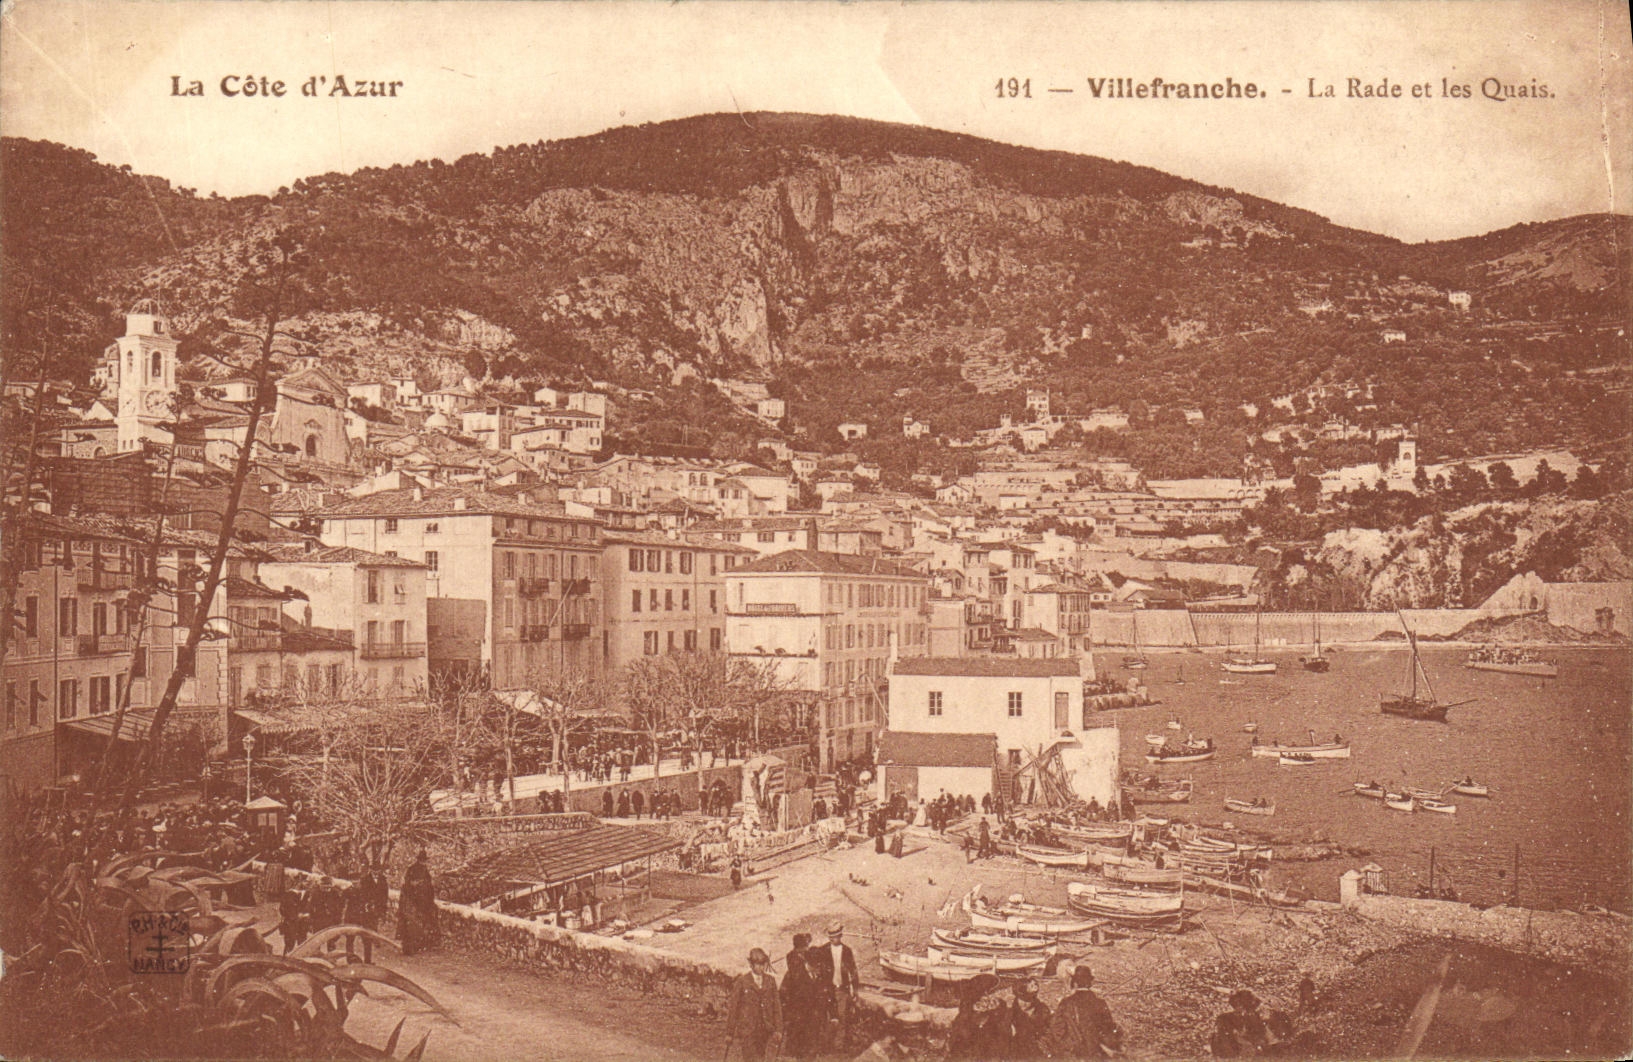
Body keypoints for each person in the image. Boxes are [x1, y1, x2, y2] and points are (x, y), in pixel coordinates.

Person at [1042, 965, 1122, 1059]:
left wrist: (1068, 1047)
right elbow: (1108, 1028)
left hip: (1074, 1054)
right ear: (1091, 983)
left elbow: (1057, 1029)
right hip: (1097, 1053)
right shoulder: (1100, 1003)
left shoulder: (1066, 1003)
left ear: (1075, 983)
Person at [806, 921, 859, 1052]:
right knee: (827, 1016)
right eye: (832, 937)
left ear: (840, 936)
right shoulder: (823, 950)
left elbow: (853, 971)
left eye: (837, 936)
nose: (835, 939)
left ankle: (838, 1045)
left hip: (842, 988)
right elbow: (815, 967)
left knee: (841, 1016)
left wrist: (855, 990)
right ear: (829, 937)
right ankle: (826, 1043)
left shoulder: (847, 951)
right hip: (827, 988)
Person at [725, 948, 782, 1061]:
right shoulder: (742, 981)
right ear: (751, 964)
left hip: (765, 1029)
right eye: (757, 964)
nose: (760, 968)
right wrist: (729, 1032)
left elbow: (776, 1006)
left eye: (763, 964)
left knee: (761, 1057)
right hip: (748, 1030)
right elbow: (734, 1008)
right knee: (750, 1058)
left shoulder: (770, 981)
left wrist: (779, 1029)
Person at [780, 933, 821, 1059]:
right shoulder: (795, 970)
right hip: (798, 1014)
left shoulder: (806, 966)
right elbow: (785, 994)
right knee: (800, 1047)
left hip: (809, 1017)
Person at [397, 850, 440, 956]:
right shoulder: (412, 869)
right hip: (413, 901)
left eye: (424, 860)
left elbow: (429, 887)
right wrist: (415, 885)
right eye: (422, 860)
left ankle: (421, 944)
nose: (423, 862)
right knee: (411, 925)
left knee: (422, 923)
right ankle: (411, 947)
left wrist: (430, 900)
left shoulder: (425, 871)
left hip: (423, 901)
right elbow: (407, 885)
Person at [1210, 989, 1272, 1057]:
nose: (1239, 1008)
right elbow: (1226, 1038)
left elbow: (1260, 1036)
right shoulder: (1224, 1018)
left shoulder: (1253, 1017)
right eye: (1238, 1005)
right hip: (1232, 1050)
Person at [1009, 978, 1052, 1060]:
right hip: (1017, 1052)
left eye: (1028, 1000)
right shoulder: (1011, 1013)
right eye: (1021, 999)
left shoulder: (1043, 1010)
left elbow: (1049, 1030)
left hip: (1038, 1050)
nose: (1024, 1003)